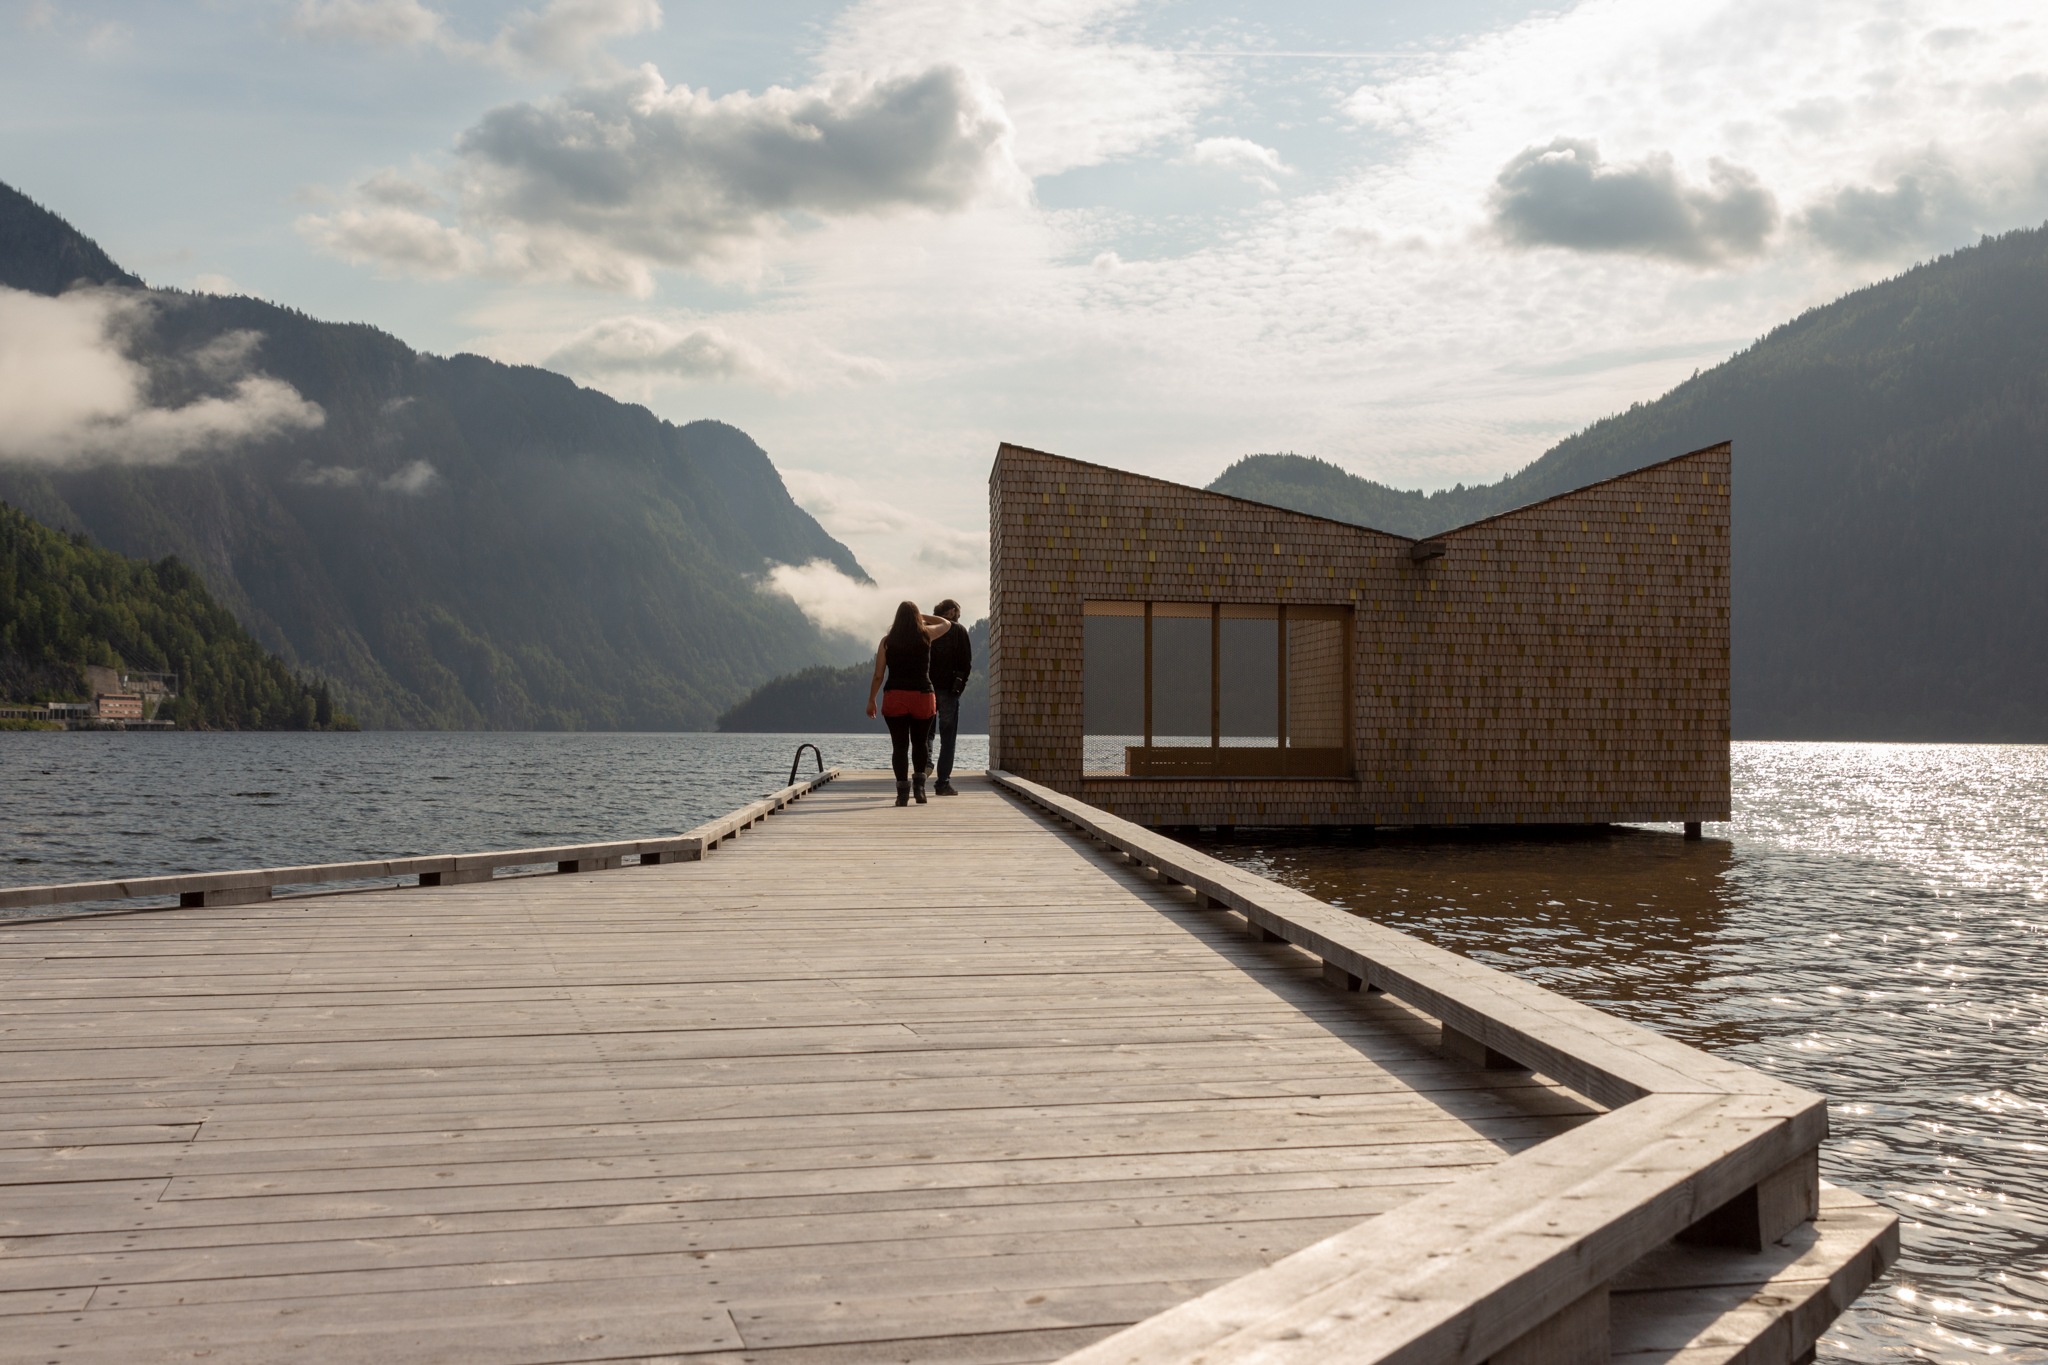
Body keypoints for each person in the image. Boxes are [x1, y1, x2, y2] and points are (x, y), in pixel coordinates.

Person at [865, 601, 952, 806]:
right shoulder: (925, 635)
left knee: (899, 746)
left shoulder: (887, 641)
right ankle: (920, 790)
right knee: (920, 743)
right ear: (916, 618)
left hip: (895, 695)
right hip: (922, 695)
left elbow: (878, 675)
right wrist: (923, 617)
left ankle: (902, 794)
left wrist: (871, 700)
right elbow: (946, 624)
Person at [926, 599, 972, 796]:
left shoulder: (927, 629)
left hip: (926, 689)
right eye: (958, 614)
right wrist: (958, 688)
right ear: (952, 612)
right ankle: (942, 783)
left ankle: (925, 764)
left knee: (925, 734)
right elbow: (965, 662)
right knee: (948, 739)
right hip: (949, 691)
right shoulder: (959, 631)